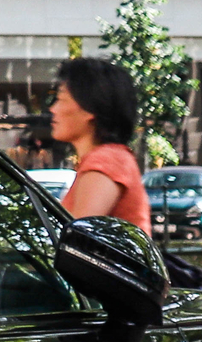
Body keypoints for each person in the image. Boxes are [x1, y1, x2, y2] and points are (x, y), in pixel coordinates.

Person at [48, 58, 149, 230]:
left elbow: (79, 241)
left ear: (89, 108)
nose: (53, 109)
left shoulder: (107, 160)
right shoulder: (106, 159)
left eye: (61, 99)